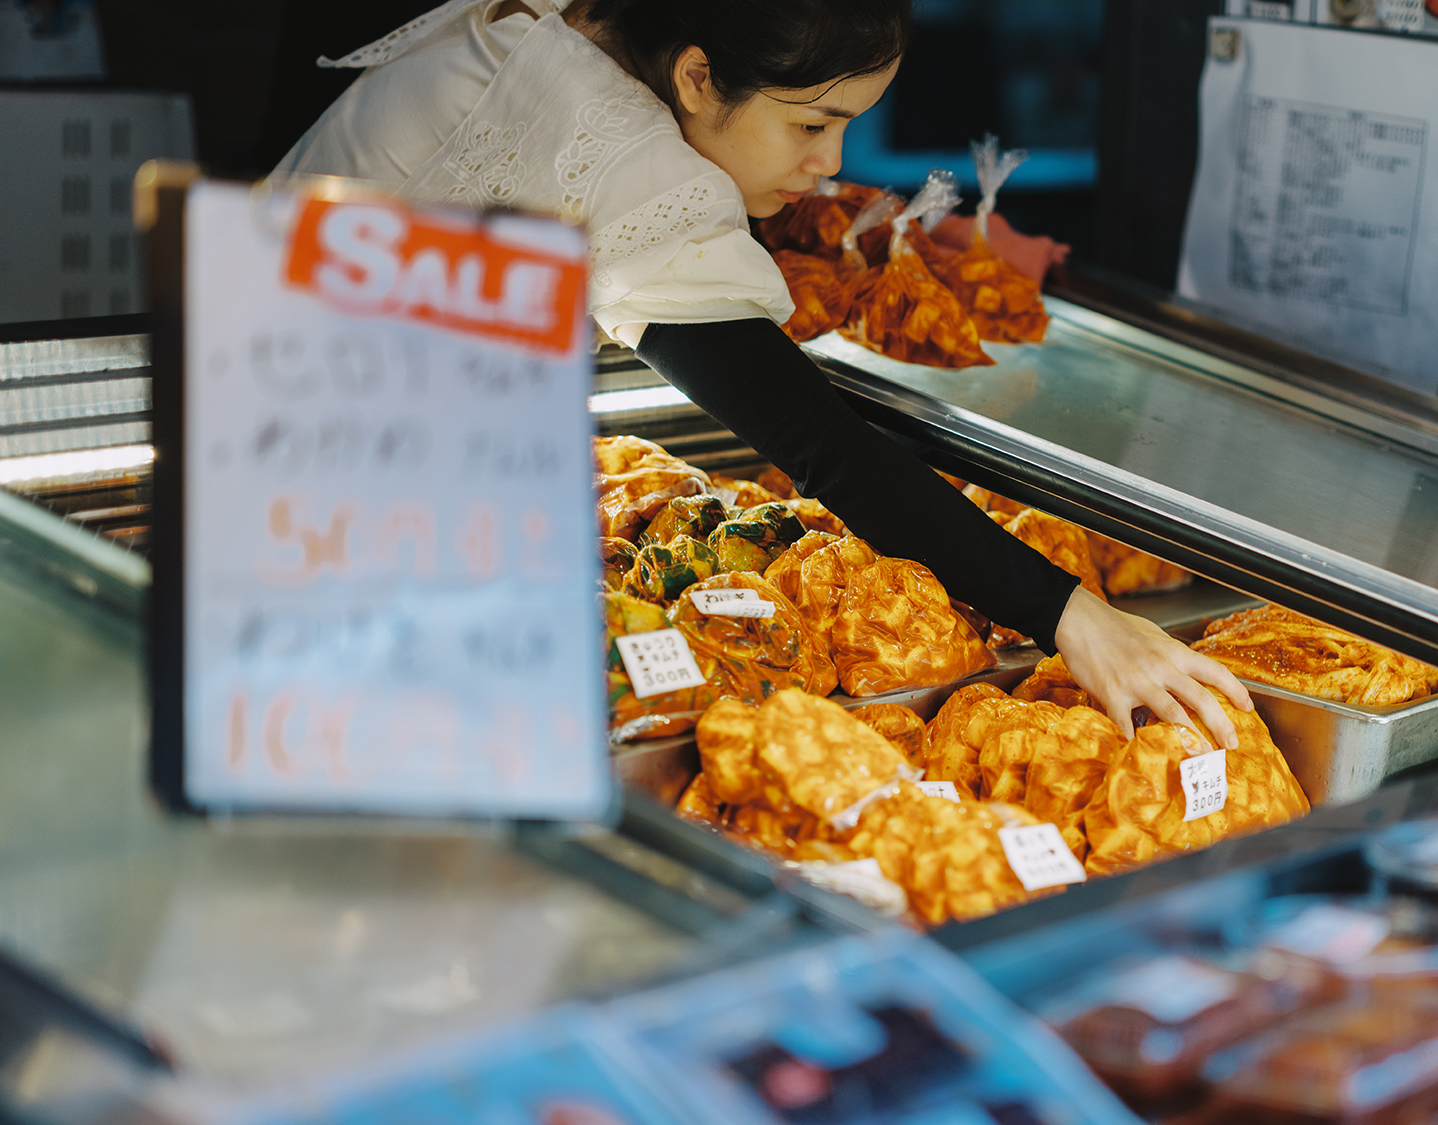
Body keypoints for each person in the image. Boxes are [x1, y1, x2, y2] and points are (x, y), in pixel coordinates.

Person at [275, 0, 1251, 744]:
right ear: (697, 77)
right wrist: (1071, 617)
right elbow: (815, 442)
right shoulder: (619, 158)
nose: (828, 164)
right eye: (811, 124)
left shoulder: (566, 29)